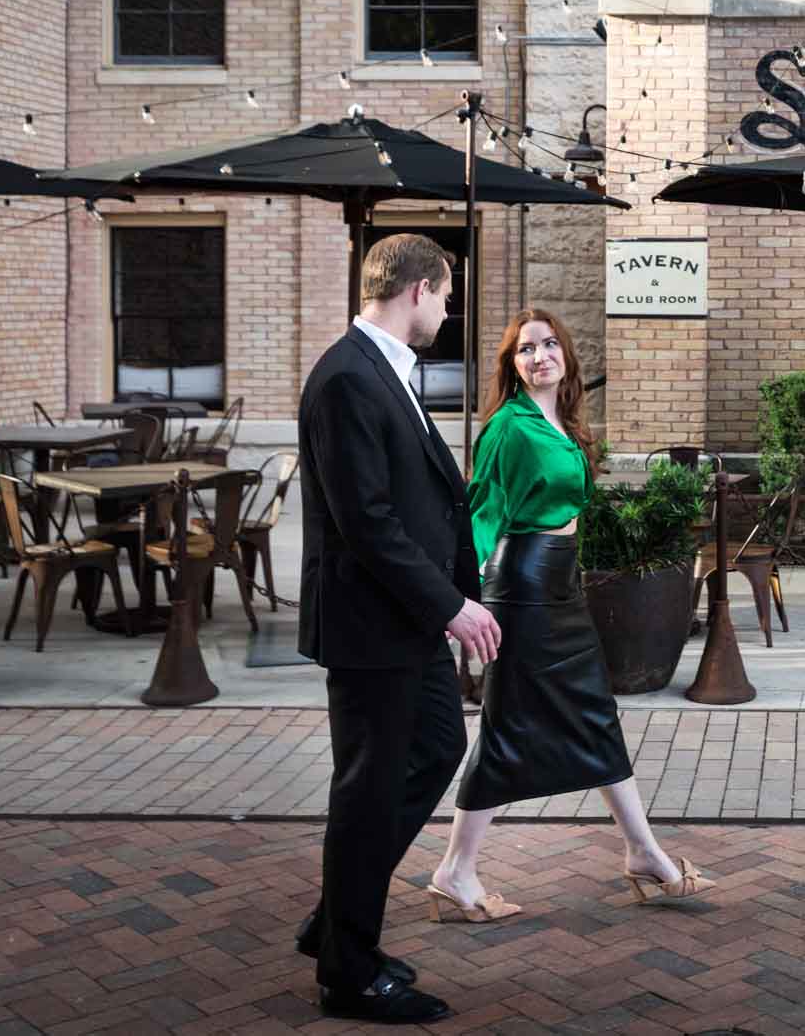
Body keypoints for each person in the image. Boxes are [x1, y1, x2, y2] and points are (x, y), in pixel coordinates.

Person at [430, 308, 712, 921]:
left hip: (560, 584)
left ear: (566, 356)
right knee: (508, 727)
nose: (539, 356)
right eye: (525, 349)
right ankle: (455, 870)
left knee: (594, 713)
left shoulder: (560, 421)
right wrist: (464, 601)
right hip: (523, 588)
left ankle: (643, 851)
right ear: (511, 365)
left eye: (549, 344)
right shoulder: (508, 425)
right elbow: (480, 512)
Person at [295, 234, 502, 1025]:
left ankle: (336, 918)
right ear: (417, 289)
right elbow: (367, 521)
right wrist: (453, 607)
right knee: (367, 792)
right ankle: (348, 972)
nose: (448, 312)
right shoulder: (348, 376)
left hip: (404, 621)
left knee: (437, 748)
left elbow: (422, 498)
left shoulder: (385, 369)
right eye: (447, 296)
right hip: (371, 624)